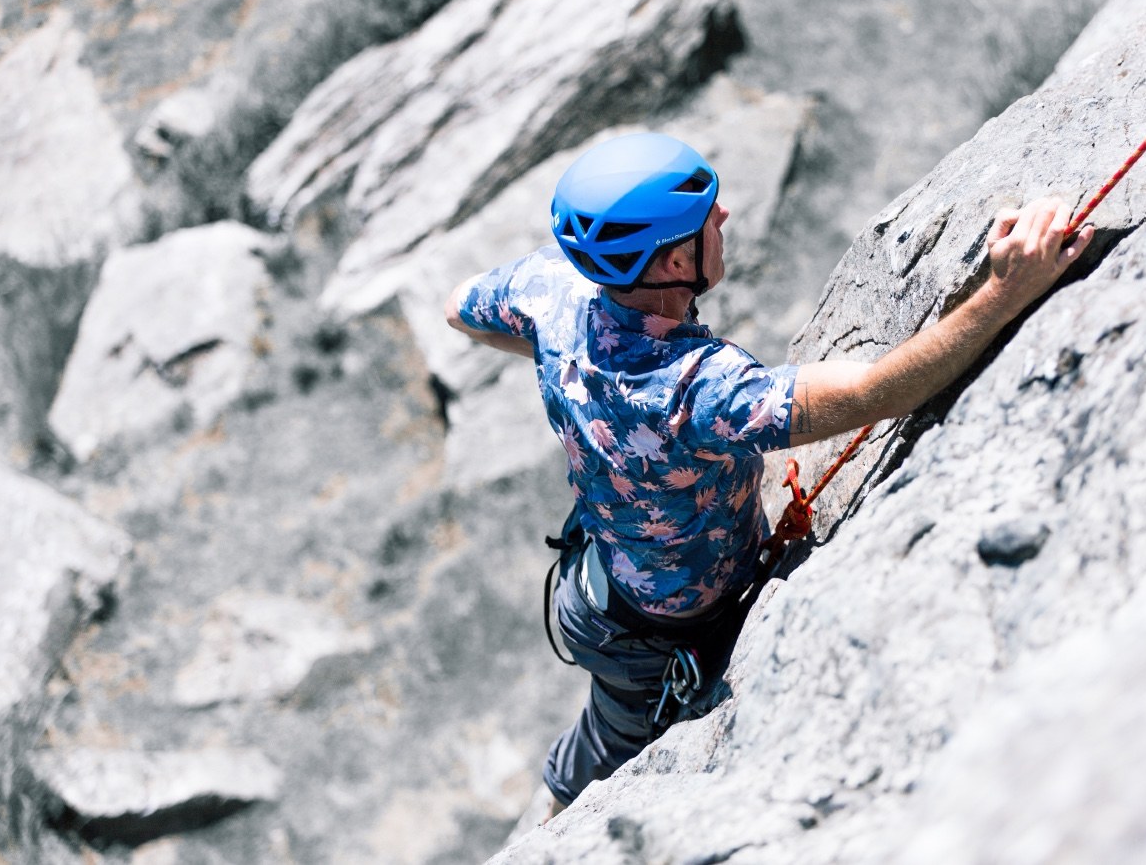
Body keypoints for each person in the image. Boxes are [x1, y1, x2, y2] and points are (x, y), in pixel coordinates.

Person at [445, 133, 1094, 819]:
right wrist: (1004, 291)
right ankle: (544, 829)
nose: (722, 216)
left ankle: (556, 798)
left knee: (602, 728)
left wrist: (558, 354)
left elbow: (459, 306)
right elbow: (874, 392)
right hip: (650, 633)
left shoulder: (556, 291)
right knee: (602, 754)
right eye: (705, 220)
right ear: (672, 261)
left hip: (602, 589)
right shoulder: (695, 389)